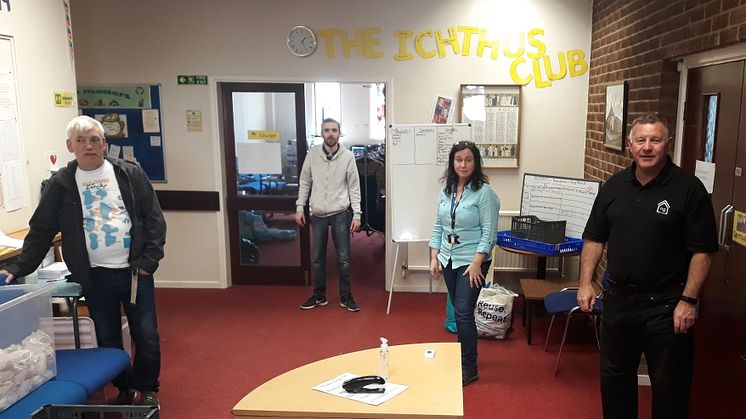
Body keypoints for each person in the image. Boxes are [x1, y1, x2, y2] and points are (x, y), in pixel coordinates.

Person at [1, 115, 167, 406]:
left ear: (104, 143)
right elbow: (41, 230)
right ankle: (124, 387)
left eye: (94, 139)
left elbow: (153, 219)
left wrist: (149, 261)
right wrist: (19, 267)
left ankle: (148, 386)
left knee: (147, 334)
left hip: (134, 273)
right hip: (94, 276)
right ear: (70, 146)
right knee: (108, 337)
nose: (88, 146)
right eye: (81, 140)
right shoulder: (62, 184)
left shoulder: (128, 174)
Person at [578, 113, 718, 418]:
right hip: (618, 303)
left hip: (668, 307)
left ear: (667, 144)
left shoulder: (688, 189)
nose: (647, 147)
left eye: (655, 140)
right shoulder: (614, 186)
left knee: (670, 390)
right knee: (614, 383)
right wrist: (586, 282)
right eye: (640, 140)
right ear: (630, 145)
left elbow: (703, 252)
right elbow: (594, 238)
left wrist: (689, 300)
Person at [429, 141, 498, 386]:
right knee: (460, 314)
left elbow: (489, 232)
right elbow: (439, 225)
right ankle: (462, 357)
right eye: (459, 159)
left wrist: (478, 262)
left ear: (476, 163)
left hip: (472, 262)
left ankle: (469, 367)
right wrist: (434, 256)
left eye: (468, 159)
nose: (463, 164)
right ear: (452, 162)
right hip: (448, 258)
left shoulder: (484, 193)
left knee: (463, 312)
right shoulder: (446, 190)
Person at [296, 118, 362, 311]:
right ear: (322, 133)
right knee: (317, 257)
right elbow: (305, 182)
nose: (330, 134)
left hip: (340, 212)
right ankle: (319, 296)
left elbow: (354, 187)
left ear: (339, 133)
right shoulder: (312, 155)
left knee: (343, 258)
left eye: (334, 130)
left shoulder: (348, 156)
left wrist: (357, 214)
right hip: (318, 213)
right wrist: (300, 207)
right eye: (327, 130)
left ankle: (346, 297)